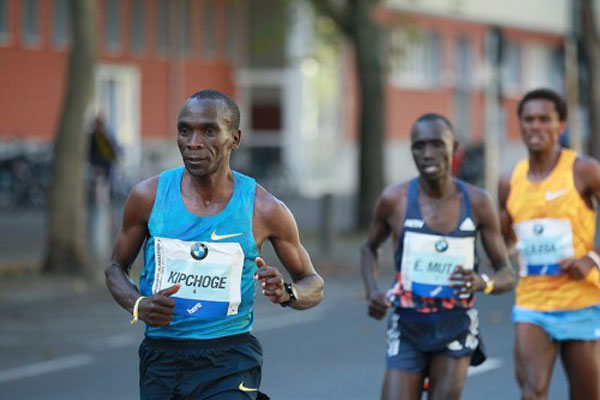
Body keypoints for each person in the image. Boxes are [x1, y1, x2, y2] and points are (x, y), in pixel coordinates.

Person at [105, 89, 324, 399]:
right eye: (185, 130)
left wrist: (288, 292)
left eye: (208, 131)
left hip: (229, 358)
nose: (193, 142)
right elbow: (115, 267)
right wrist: (140, 304)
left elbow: (312, 282)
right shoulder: (148, 196)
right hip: (162, 357)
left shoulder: (264, 208)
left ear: (234, 138)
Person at [361, 113, 516, 400]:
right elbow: (369, 248)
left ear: (454, 147)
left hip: (455, 324)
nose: (428, 154)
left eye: (436, 144)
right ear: (411, 151)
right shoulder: (394, 199)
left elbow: (506, 274)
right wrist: (372, 291)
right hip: (407, 324)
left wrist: (481, 282)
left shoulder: (478, 202)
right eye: (419, 146)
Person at [499, 88, 600, 400]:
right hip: (532, 303)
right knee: (532, 391)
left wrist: (591, 258)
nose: (535, 126)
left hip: (580, 300)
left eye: (544, 119)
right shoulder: (509, 181)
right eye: (529, 119)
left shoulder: (583, 170)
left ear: (561, 126)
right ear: (520, 125)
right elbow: (503, 237)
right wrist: (506, 256)